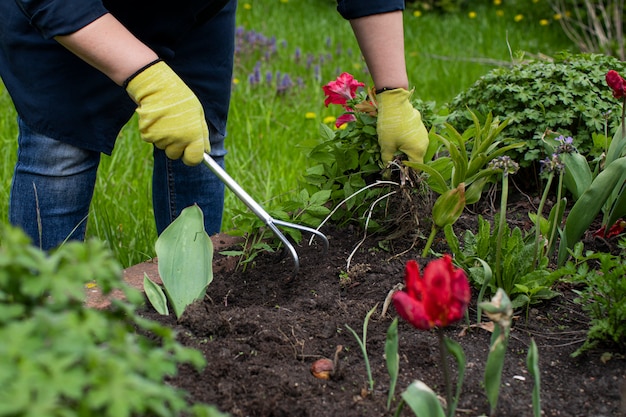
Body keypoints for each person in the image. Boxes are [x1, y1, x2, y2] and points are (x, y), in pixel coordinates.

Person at [0, 0, 428, 251]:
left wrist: (393, 91)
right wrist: (147, 77)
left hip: (192, 12)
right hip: (76, 15)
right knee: (60, 149)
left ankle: (193, 295)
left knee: (201, 141)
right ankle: (44, 321)